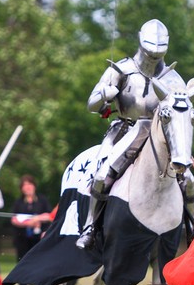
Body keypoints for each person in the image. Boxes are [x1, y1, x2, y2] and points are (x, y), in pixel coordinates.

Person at [76, 19, 187, 250]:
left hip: (161, 136)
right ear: (140, 43)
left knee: (188, 179)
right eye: (150, 53)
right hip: (125, 129)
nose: (153, 58)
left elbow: (182, 112)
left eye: (158, 54)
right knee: (102, 175)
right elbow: (91, 105)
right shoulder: (120, 70)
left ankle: (190, 228)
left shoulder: (173, 79)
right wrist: (104, 94)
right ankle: (91, 226)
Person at [10, 175, 53, 285]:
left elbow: (49, 215)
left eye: (30, 184)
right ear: (22, 188)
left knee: (39, 263)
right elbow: (14, 219)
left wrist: (37, 218)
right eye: (25, 185)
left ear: (34, 186)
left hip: (38, 238)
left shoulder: (42, 200)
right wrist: (28, 223)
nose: (28, 187)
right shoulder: (18, 203)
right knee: (22, 263)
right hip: (22, 238)